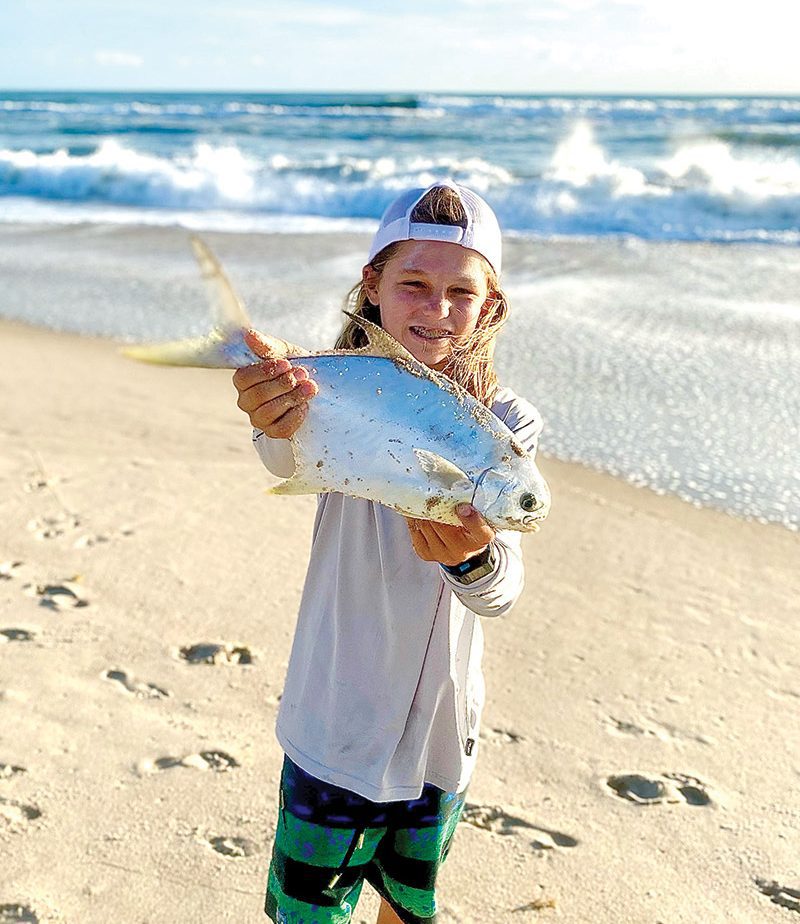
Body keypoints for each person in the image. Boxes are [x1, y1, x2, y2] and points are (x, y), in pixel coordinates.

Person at [232, 182, 544, 924]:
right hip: (335, 721)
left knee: (407, 910)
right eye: (413, 284)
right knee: (307, 914)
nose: (436, 310)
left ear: (490, 306)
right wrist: (270, 412)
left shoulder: (507, 425)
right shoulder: (325, 394)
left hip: (442, 734)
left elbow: (499, 593)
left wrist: (474, 558)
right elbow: (283, 458)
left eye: (460, 293)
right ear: (372, 287)